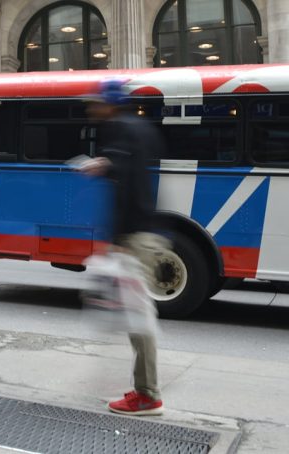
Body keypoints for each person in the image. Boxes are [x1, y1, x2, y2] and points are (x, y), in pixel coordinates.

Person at [80, 78, 169, 416]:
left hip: (135, 236)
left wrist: (117, 243)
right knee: (136, 317)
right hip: (145, 230)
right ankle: (146, 390)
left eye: (95, 102)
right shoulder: (140, 127)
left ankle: (148, 395)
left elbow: (127, 182)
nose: (91, 108)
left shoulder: (119, 128)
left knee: (138, 318)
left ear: (109, 103)